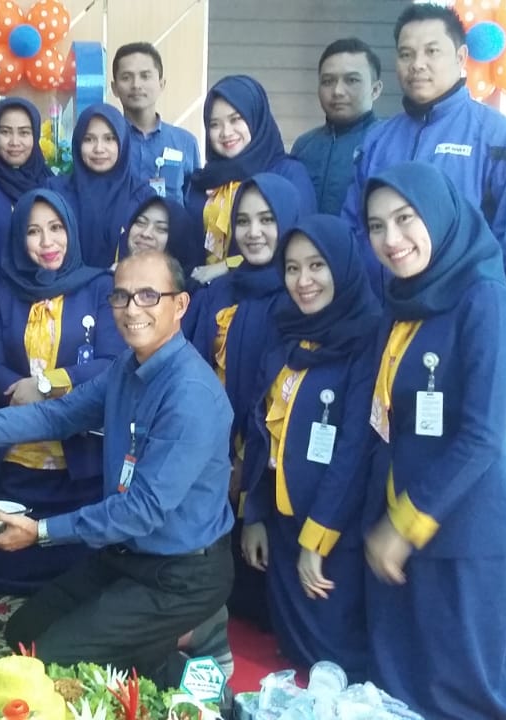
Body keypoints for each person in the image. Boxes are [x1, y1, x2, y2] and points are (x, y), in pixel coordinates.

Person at [0, 250, 235, 686]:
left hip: (181, 574)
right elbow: (57, 415)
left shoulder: (189, 394)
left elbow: (141, 511)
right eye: (121, 296)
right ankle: (168, 636)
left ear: (180, 305)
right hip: (125, 555)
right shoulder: (127, 367)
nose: (132, 309)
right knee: (23, 635)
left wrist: (40, 532)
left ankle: (192, 645)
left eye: (148, 296)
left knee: (50, 665)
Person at [362, 162, 506, 718]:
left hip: (466, 521)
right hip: (398, 511)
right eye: (376, 226)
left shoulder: (486, 302)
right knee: (400, 683)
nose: (391, 239)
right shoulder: (400, 303)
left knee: (468, 698)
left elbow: (481, 438)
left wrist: (403, 525)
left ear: (440, 214)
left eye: (405, 218)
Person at [239, 214, 380, 682]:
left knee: (340, 660)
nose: (303, 281)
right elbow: (262, 430)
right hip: (283, 526)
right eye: (293, 268)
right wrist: (255, 515)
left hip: (334, 531)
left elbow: (354, 451)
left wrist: (315, 540)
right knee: (295, 650)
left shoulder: (366, 338)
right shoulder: (287, 328)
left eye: (317, 266)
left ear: (342, 266)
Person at [0, 189, 124, 594]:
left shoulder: (99, 286)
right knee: (5, 575)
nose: (47, 242)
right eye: (33, 231)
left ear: (71, 230)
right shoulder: (4, 291)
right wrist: (18, 393)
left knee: (82, 576)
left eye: (56, 228)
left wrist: (46, 385)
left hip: (80, 459)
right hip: (20, 457)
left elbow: (111, 360)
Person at [340, 4, 506, 293]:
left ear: (461, 57)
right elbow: (353, 228)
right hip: (380, 311)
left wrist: (488, 307)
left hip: (463, 312)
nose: (417, 64)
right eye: (406, 54)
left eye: (432, 51)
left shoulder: (501, 140)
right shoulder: (377, 139)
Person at [187, 173, 302, 645]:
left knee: (271, 619)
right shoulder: (217, 294)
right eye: (244, 221)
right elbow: (192, 376)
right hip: (213, 459)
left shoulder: (302, 296)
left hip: (272, 470)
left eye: (267, 220)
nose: (254, 233)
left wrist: (246, 467)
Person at [185, 75, 315, 286]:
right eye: (215, 124)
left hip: (266, 294)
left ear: (256, 117)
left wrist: (229, 265)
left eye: (235, 119)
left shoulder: (287, 174)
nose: (226, 132)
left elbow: (299, 245)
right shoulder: (203, 181)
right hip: (205, 297)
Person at [49, 103, 159, 269]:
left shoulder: (143, 196)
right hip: (66, 284)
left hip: (125, 283)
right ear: (77, 142)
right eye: (89, 139)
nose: (99, 149)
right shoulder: (55, 191)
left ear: (122, 142)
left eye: (109, 139)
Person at [290, 38, 383, 215]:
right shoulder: (304, 146)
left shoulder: (387, 142)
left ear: (375, 90)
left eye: (352, 80)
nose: (337, 91)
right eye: (328, 81)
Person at [109, 42, 201, 205]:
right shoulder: (106, 142)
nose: (136, 85)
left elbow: (194, 204)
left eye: (145, 76)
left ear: (161, 84)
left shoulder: (185, 142)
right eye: (126, 77)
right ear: (114, 88)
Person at [0, 97, 52, 265]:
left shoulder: (52, 187)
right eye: (5, 132)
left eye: (24, 133)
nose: (14, 142)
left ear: (35, 135)